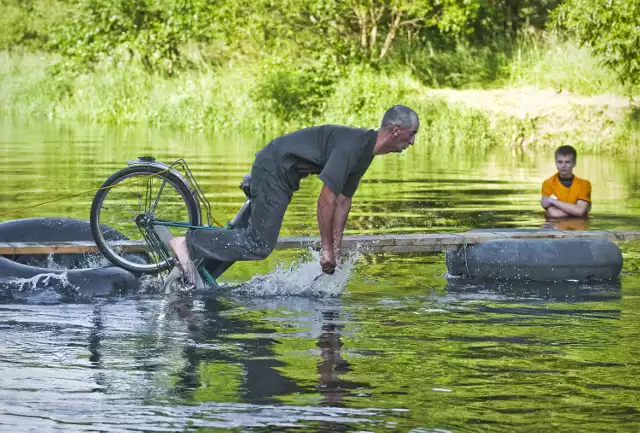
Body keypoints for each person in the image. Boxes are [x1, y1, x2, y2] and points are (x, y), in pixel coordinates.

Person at [169, 105, 420, 283]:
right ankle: (187, 243)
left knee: (245, 238)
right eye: (412, 135)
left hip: (283, 175)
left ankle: (200, 277)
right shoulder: (352, 147)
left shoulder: (365, 150)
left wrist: (336, 247)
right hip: (275, 169)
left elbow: (343, 202)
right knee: (259, 244)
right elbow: (326, 201)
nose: (412, 143)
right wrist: (325, 249)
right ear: (396, 130)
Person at [541, 145, 591, 219]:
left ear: (574, 163)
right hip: (555, 228)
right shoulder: (548, 184)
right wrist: (575, 211)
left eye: (567, 162)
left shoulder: (584, 184)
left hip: (578, 229)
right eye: (560, 162)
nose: (563, 165)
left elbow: (580, 211)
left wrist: (552, 201)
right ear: (555, 163)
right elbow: (553, 213)